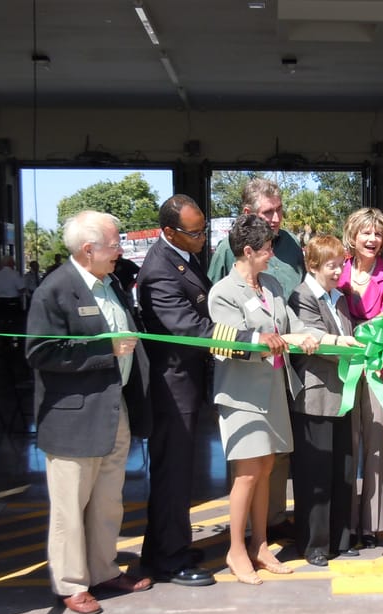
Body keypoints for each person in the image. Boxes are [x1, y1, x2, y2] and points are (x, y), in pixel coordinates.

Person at [136, 194, 278, 587]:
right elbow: (191, 329)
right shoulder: (159, 269)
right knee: (174, 474)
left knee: (180, 473)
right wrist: (251, 339)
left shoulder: (181, 256)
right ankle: (169, 559)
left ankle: (168, 545)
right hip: (173, 383)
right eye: (194, 232)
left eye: (202, 229)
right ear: (169, 232)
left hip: (187, 382)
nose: (202, 238)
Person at [25, 211, 153, 614]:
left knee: (108, 501)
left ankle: (103, 569)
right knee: (70, 506)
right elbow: (39, 352)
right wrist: (104, 350)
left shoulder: (109, 282)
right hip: (73, 420)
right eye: (115, 243)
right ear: (88, 249)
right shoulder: (56, 290)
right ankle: (70, 582)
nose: (120, 249)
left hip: (113, 412)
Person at [209, 214, 318, 583]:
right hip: (241, 396)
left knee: (266, 470)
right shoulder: (223, 292)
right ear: (249, 250)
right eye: (268, 249)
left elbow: (289, 325)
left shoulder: (269, 284)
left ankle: (260, 544)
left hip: (272, 390)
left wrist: (315, 337)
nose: (273, 255)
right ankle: (235, 550)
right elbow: (226, 342)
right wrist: (259, 341)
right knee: (247, 473)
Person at [207, 178, 305, 536]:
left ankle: (269, 526)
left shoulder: (287, 255)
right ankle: (245, 535)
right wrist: (258, 340)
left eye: (280, 210)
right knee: (249, 467)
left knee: (271, 460)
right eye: (269, 212)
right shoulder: (225, 266)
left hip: (280, 376)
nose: (277, 218)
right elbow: (220, 327)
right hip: (244, 383)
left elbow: (294, 314)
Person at [288, 234, 362, 566]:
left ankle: (341, 537)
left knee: (342, 469)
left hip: (343, 394)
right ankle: (314, 543)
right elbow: (314, 338)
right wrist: (351, 346)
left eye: (341, 264)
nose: (337, 271)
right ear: (313, 265)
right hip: (316, 397)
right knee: (315, 474)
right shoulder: (301, 296)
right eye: (331, 265)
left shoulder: (339, 298)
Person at [337, 208, 383, 548]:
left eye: (378, 233)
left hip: (379, 367)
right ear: (353, 235)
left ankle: (373, 524)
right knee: (349, 446)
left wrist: (364, 331)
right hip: (344, 368)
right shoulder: (338, 272)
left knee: (376, 447)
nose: (373, 239)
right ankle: (345, 522)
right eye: (366, 233)